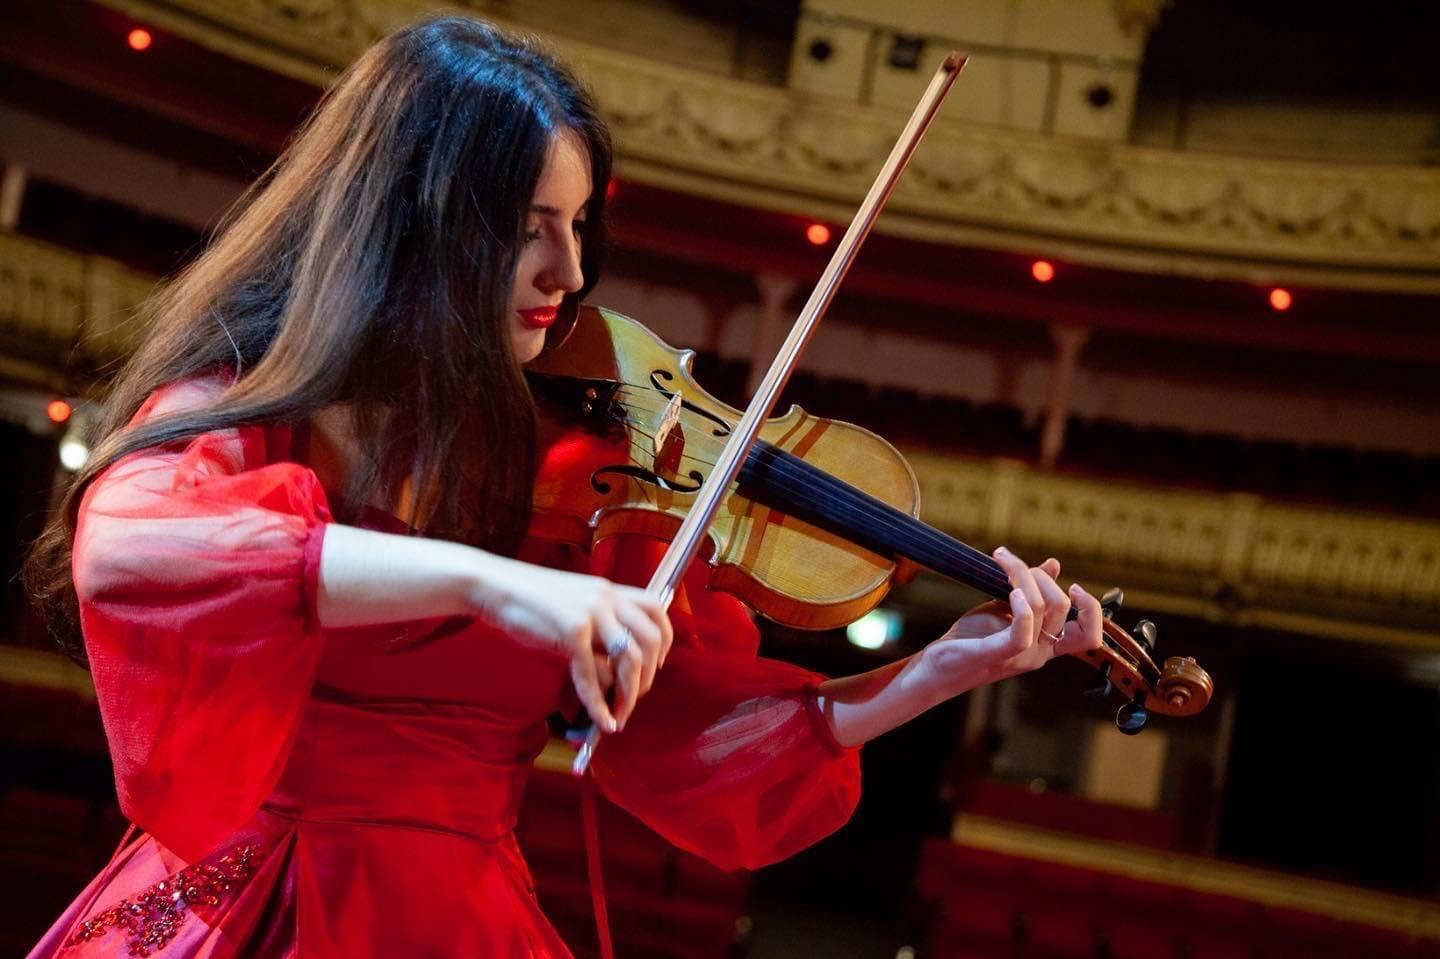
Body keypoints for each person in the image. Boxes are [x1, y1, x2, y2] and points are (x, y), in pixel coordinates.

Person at [23, 14, 1104, 957]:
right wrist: (489, 582)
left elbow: (689, 733)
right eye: (525, 228)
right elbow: (134, 550)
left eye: (578, 225)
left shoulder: (581, 476)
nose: (571, 271)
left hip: (460, 913)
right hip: (248, 905)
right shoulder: (245, 407)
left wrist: (935, 671)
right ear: (410, 222)